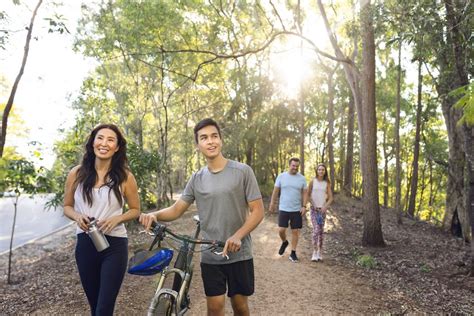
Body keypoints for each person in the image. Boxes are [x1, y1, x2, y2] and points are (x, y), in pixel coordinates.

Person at [140, 118, 264, 316]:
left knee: (240, 306)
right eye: (204, 138)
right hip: (210, 254)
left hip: (239, 253)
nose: (210, 141)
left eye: (214, 136)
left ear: (221, 140)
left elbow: (258, 211)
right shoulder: (197, 178)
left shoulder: (242, 171)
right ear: (198, 145)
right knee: (214, 308)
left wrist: (238, 235)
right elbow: (177, 209)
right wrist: (153, 215)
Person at [63, 123, 140, 316]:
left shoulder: (125, 177)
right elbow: (67, 207)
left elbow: (136, 210)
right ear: (93, 142)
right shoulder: (76, 174)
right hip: (85, 243)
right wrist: (77, 216)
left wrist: (118, 219)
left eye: (110, 139)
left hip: (115, 246)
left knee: (104, 308)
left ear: (117, 147)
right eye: (100, 138)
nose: (104, 143)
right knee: (95, 306)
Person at [269, 157, 308, 263]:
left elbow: (305, 193)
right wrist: (272, 203)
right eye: (293, 166)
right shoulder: (281, 176)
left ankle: (293, 252)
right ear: (289, 165)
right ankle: (284, 242)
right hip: (283, 208)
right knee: (281, 230)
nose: (295, 168)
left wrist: (304, 206)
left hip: (296, 209)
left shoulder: (302, 178)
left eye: (297, 166)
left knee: (295, 231)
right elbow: (275, 191)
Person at [307, 163, 333, 262]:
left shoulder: (327, 183)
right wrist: (313, 204)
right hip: (314, 210)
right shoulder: (312, 182)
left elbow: (331, 198)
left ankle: (320, 252)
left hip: (322, 210)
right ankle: (314, 251)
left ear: (325, 171)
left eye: (323, 170)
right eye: (319, 169)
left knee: (321, 232)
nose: (321, 171)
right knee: (316, 230)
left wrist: (325, 207)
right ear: (317, 171)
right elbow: (308, 195)